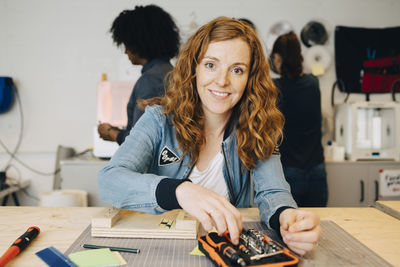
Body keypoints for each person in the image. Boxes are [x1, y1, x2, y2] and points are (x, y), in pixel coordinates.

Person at [99, 17, 320, 255]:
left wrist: (286, 218)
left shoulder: (258, 125)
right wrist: (180, 190)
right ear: (193, 67)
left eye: (237, 70)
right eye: (211, 65)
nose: (222, 81)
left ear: (250, 78)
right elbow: (110, 180)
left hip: (225, 250)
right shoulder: (158, 119)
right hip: (162, 249)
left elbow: (273, 192)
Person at [97, 5, 180, 145]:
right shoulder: (170, 73)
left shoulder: (150, 81)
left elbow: (141, 141)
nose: (125, 52)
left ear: (137, 44)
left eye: (126, 45)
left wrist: (111, 133)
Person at [271, 31, 328, 207]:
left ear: (278, 58)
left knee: (289, 227)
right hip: (316, 169)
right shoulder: (313, 83)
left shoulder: (275, 88)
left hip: (289, 170)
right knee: (318, 224)